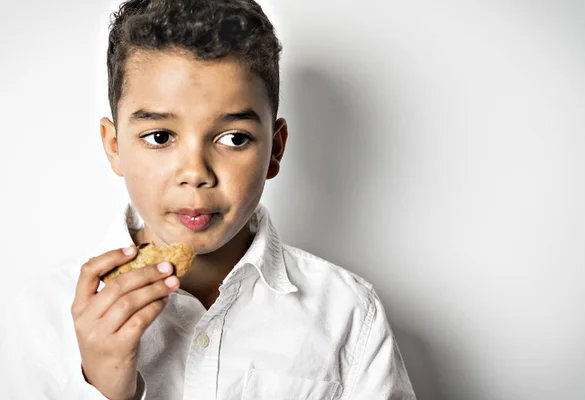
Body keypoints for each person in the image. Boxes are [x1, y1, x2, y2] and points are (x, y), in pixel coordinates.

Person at [0, 0, 416, 398]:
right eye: (160, 137)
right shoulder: (43, 317)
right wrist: (103, 389)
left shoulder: (348, 314)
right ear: (114, 146)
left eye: (234, 139)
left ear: (275, 149)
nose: (196, 172)